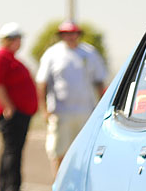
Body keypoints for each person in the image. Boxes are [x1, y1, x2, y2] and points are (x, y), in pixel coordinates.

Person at [36, 20, 107, 174]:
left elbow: (99, 81)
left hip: (86, 111)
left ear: (78, 34)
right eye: (66, 33)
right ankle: (59, 182)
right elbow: (42, 83)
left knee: (84, 151)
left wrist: (103, 106)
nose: (70, 36)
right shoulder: (52, 53)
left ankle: (81, 182)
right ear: (61, 35)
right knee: (59, 151)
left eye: (73, 33)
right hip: (61, 111)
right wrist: (44, 109)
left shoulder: (89, 52)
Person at [0, 23, 38, 191]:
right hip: (12, 114)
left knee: (14, 150)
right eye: (16, 39)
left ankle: (9, 189)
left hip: (21, 113)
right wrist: (8, 106)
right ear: (8, 40)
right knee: (12, 151)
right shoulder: (2, 57)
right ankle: (10, 190)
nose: (19, 42)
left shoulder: (13, 59)